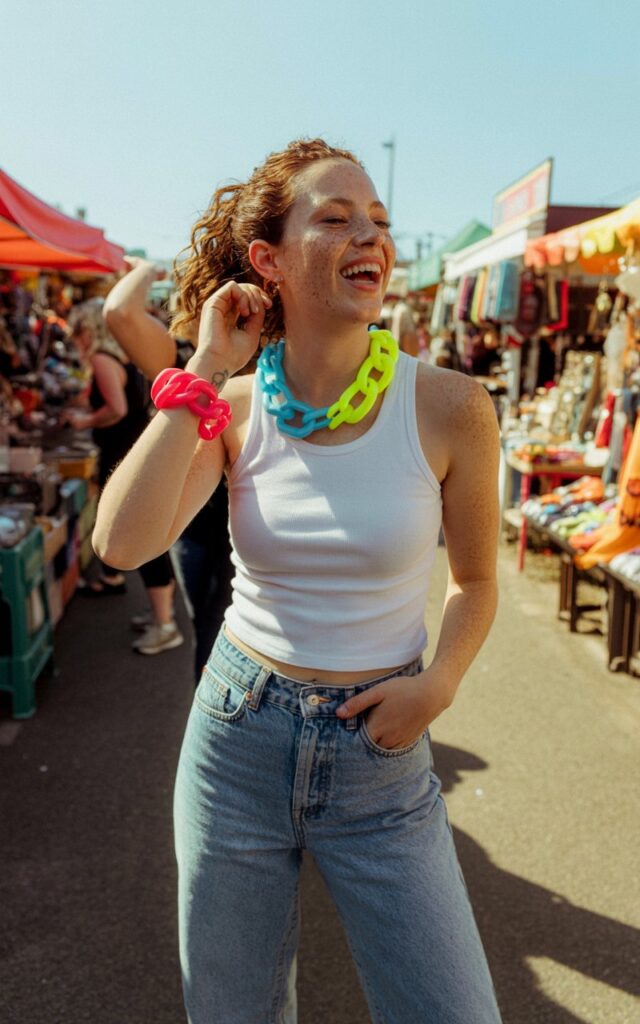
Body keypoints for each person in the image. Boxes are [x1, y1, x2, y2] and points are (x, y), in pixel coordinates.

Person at [94, 139, 502, 1023]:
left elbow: (475, 580)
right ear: (269, 260)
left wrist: (440, 684)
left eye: (381, 222)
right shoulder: (232, 407)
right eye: (337, 217)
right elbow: (121, 545)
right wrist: (204, 370)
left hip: (380, 757)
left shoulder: (452, 407)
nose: (373, 237)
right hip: (237, 738)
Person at [102, 258, 234, 680]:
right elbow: (119, 312)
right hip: (191, 523)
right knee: (205, 629)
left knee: (222, 632)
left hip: (251, 520)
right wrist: (147, 268)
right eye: (208, 298)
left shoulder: (265, 358)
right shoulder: (177, 358)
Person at [67, 320, 183, 655]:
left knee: (140, 536)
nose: (76, 338)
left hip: (121, 455)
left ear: (90, 331)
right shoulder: (127, 357)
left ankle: (165, 624)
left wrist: (85, 420)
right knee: (150, 538)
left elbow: (116, 408)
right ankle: (162, 614)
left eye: (79, 331)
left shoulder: (103, 359)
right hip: (132, 450)